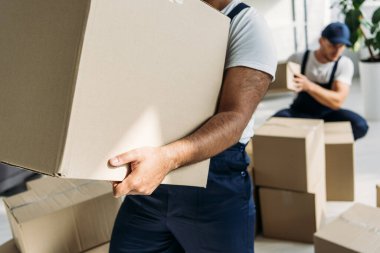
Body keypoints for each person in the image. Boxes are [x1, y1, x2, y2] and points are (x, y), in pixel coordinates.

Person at [108, 1, 277, 252]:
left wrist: (168, 159)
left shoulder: (245, 23)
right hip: (152, 179)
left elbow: (234, 119)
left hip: (214, 186)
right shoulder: (165, 16)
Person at [274, 22, 369, 140]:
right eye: (333, 45)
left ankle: (320, 146)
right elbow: (278, 80)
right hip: (300, 112)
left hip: (328, 115)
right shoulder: (298, 58)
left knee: (360, 125)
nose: (337, 51)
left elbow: (337, 101)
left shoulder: (344, 64)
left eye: (342, 46)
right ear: (321, 41)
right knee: (274, 124)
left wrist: (309, 86)